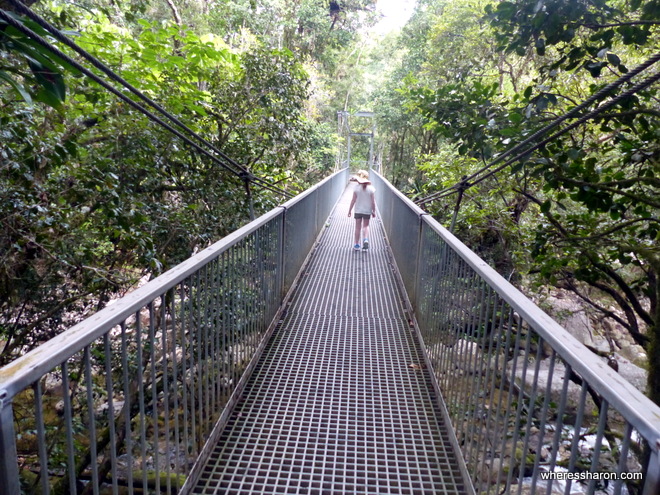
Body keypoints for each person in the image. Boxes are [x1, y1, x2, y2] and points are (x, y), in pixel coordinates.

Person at [347, 170, 376, 251]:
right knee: (366, 226)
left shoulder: (356, 188)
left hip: (358, 210)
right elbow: (373, 202)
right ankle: (365, 239)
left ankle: (356, 244)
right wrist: (374, 211)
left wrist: (349, 211)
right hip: (367, 210)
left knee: (357, 227)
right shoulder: (371, 188)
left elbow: (353, 200)